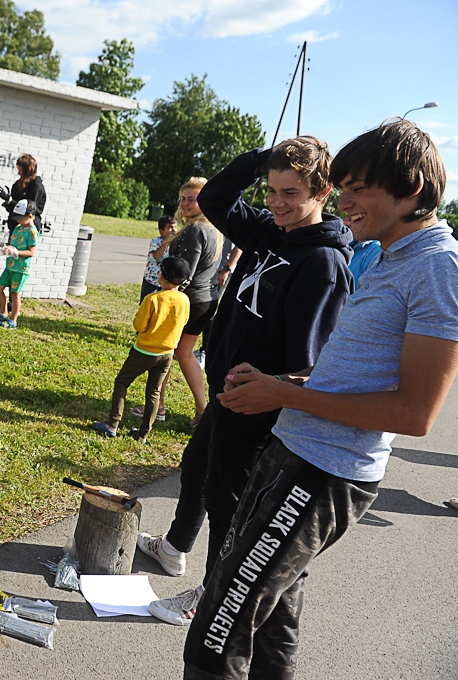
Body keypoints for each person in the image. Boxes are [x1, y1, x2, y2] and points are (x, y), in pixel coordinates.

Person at [183, 120, 457, 679]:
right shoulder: (391, 254)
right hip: (293, 451)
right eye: (343, 187)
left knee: (218, 628)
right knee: (274, 617)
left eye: (358, 189)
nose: (344, 201)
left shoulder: (437, 267)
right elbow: (350, 373)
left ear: (412, 191)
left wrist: (284, 392)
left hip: (325, 471)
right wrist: (284, 384)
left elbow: (415, 413)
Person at [143, 137, 353, 628]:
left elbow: (309, 364)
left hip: (257, 410)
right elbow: (215, 197)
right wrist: (264, 159)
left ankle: (214, 595)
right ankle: (174, 548)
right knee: (196, 469)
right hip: (225, 394)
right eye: (272, 190)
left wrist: (267, 391)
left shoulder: (323, 264)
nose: (277, 202)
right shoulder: (268, 229)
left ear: (322, 192)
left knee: (228, 504)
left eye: (291, 193)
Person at [91, 256, 192, 443]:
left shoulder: (153, 299)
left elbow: (139, 326)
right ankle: (143, 434)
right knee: (154, 391)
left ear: (163, 276)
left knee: (122, 382)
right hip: (167, 354)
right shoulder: (185, 300)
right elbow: (184, 322)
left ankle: (112, 425)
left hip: (144, 351)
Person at [152, 178, 223, 426]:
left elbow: (184, 273)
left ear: (206, 201)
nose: (184, 204)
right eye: (182, 198)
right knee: (184, 354)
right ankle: (201, 410)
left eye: (191, 199)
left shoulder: (195, 230)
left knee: (165, 350)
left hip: (188, 300)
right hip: (205, 300)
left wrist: (166, 298)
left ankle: (158, 407)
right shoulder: (214, 228)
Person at [0, 202, 38, 328]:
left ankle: (13, 320)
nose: (17, 220)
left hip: (20, 269)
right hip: (10, 266)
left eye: (20, 217)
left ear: (30, 216)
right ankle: (3, 313)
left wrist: (15, 252)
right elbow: (12, 244)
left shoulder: (32, 232)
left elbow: (31, 252)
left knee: (15, 293)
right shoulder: (18, 228)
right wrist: (0, 243)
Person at [0, 154, 47, 238]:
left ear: (28, 170)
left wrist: (11, 201)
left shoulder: (36, 187)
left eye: (21, 170)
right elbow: (13, 209)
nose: (19, 173)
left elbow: (29, 210)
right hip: (15, 227)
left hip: (27, 230)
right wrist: (8, 202)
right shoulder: (18, 184)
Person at [141, 215, 178, 302]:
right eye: (170, 227)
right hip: (151, 279)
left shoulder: (176, 243)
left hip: (166, 281)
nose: (174, 230)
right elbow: (157, 256)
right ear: (161, 230)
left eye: (175, 227)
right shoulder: (156, 241)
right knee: (148, 301)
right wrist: (166, 243)